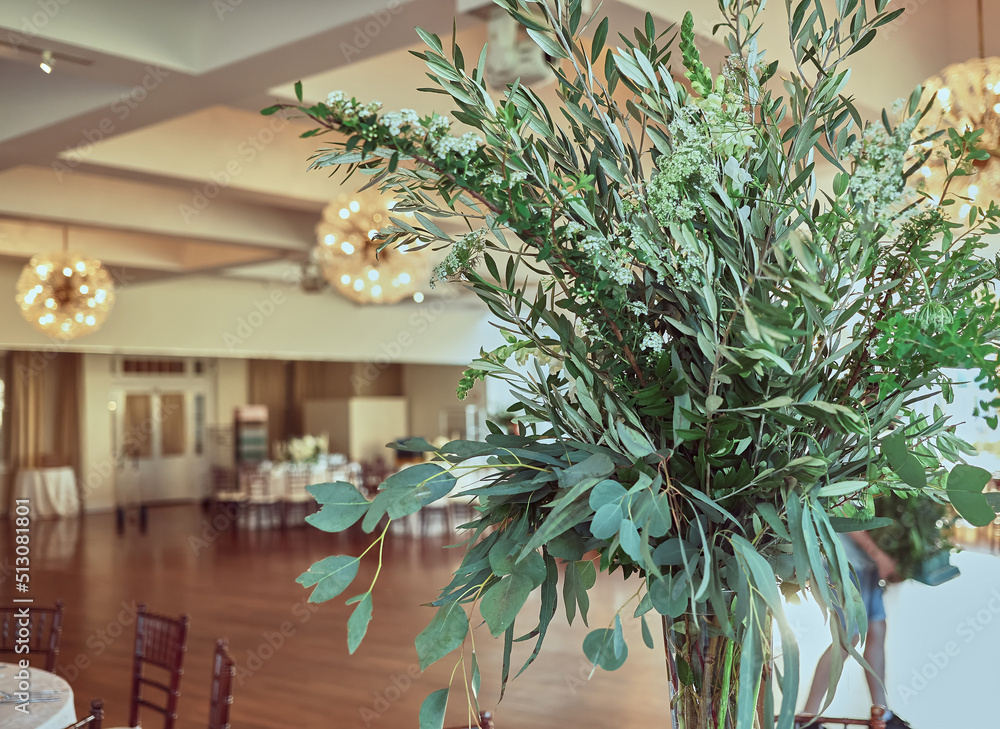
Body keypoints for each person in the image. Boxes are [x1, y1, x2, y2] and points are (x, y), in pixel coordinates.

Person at [799, 530, 911, 729]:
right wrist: (879, 554)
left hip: (866, 563)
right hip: (843, 561)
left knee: (877, 628)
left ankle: (881, 712)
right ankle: (808, 717)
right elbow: (844, 513)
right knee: (849, 637)